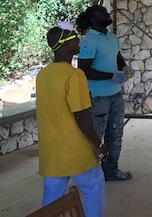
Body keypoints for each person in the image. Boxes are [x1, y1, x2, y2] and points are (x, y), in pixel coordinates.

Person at [36, 21, 109, 217]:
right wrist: (98, 143)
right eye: (76, 38)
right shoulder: (75, 75)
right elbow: (81, 115)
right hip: (74, 149)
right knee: (93, 186)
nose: (79, 41)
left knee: (52, 199)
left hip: (51, 151)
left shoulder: (42, 75)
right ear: (67, 45)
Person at [76, 5, 133, 181]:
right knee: (96, 135)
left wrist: (124, 67)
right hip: (97, 96)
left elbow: (117, 56)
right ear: (93, 19)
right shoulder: (88, 40)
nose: (107, 14)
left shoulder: (112, 37)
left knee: (115, 134)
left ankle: (111, 170)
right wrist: (111, 75)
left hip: (115, 93)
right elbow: (83, 69)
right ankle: (90, 174)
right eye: (102, 13)